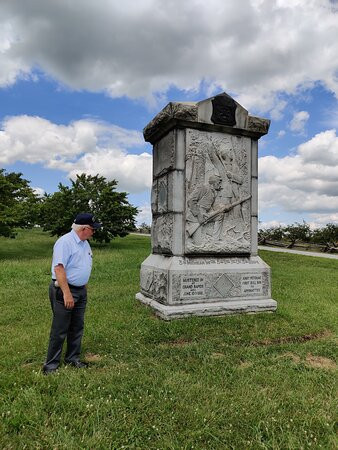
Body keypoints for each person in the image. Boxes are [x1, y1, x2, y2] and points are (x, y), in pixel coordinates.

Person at [42, 213, 101, 375]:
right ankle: (51, 365)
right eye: (92, 229)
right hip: (65, 290)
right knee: (60, 329)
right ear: (83, 228)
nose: (94, 232)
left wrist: (83, 286)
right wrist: (67, 293)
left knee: (77, 326)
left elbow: (82, 265)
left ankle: (72, 358)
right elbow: (59, 268)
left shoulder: (84, 243)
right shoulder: (65, 242)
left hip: (80, 291)